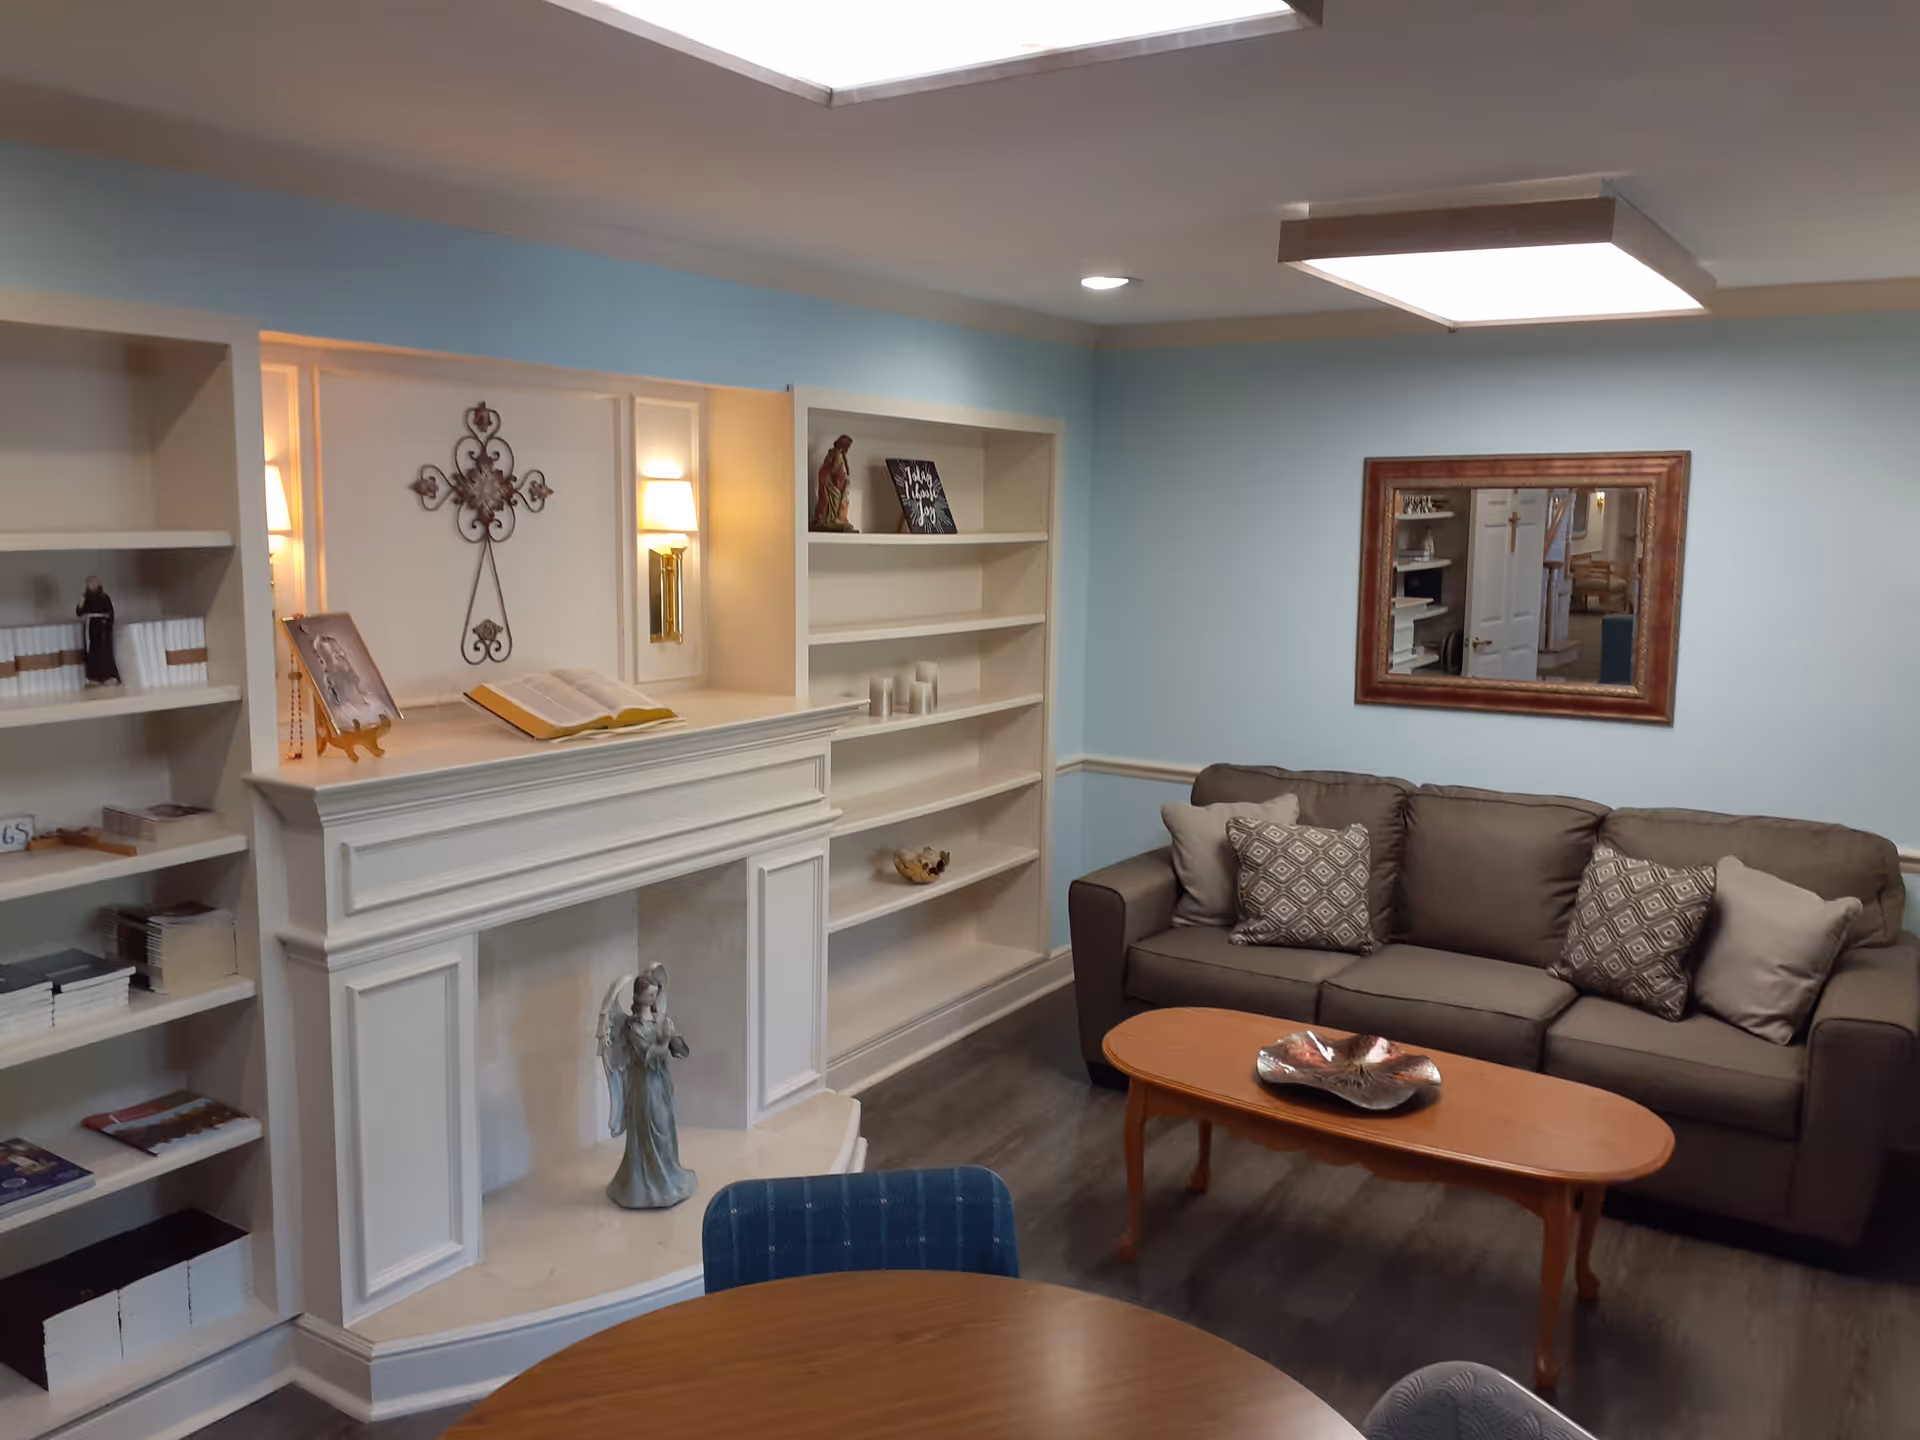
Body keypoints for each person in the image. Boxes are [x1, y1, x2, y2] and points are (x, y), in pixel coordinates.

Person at [597, 964, 696, 1209]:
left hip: (662, 1085)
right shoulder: (632, 1028)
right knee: (654, 1130)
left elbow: (682, 1052)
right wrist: (662, 1038)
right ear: (638, 997)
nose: (654, 998)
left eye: (655, 994)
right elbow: (647, 1056)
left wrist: (673, 1036)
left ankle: (668, 1175)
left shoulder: (660, 1020)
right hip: (645, 1089)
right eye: (650, 994)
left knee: (667, 1130)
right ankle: (648, 1183)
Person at [76, 577, 120, 686]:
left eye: (94, 583)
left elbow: (110, 613)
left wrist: (106, 624)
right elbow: (79, 613)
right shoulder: (84, 598)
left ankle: (108, 676)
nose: (92, 585)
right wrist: (80, 604)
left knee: (105, 651)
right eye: (90, 583)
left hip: (102, 628)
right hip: (90, 628)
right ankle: (92, 677)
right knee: (91, 652)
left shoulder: (104, 597)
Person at [811, 434, 857, 532]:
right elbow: (835, 469)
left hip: (836, 482)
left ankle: (834, 518)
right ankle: (830, 519)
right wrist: (842, 476)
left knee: (840, 500)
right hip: (831, 483)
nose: (848, 448)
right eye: (847, 446)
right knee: (834, 498)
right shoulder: (836, 454)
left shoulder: (839, 454)